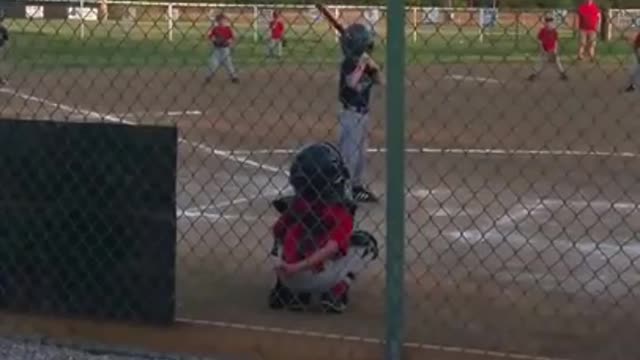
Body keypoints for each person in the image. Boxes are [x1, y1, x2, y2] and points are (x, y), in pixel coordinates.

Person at [268, 142, 378, 314]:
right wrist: (299, 267)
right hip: (320, 276)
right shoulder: (341, 210)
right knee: (365, 243)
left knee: (285, 234)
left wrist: (288, 266)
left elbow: (277, 231)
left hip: (288, 275)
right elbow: (332, 247)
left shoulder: (295, 205)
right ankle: (336, 291)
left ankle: (290, 293)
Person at [337, 23, 383, 203]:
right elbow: (351, 82)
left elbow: (381, 82)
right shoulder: (349, 64)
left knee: (362, 154)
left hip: (364, 114)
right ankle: (343, 189)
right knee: (350, 154)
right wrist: (362, 64)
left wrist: (375, 68)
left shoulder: (366, 64)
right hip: (350, 114)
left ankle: (357, 187)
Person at [528, 15, 568, 81]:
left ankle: (562, 73)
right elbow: (539, 40)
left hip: (552, 50)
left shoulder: (554, 31)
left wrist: (555, 50)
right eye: (547, 22)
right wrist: (541, 49)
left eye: (551, 22)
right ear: (545, 23)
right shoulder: (543, 30)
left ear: (553, 23)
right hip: (544, 50)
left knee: (557, 62)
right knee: (539, 63)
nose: (549, 23)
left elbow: (556, 41)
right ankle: (534, 74)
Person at [205, 13, 239, 84]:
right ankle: (209, 76)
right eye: (220, 20)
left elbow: (234, 37)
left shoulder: (228, 29)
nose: (222, 22)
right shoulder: (215, 29)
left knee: (229, 64)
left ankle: (234, 77)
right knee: (213, 64)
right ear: (217, 21)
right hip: (217, 49)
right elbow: (210, 36)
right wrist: (214, 40)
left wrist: (229, 41)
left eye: (224, 20)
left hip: (225, 49)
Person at [0, 14, 9, 85]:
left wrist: (5, 48)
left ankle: (1, 79)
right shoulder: (3, 28)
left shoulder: (3, 29)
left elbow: (6, 40)